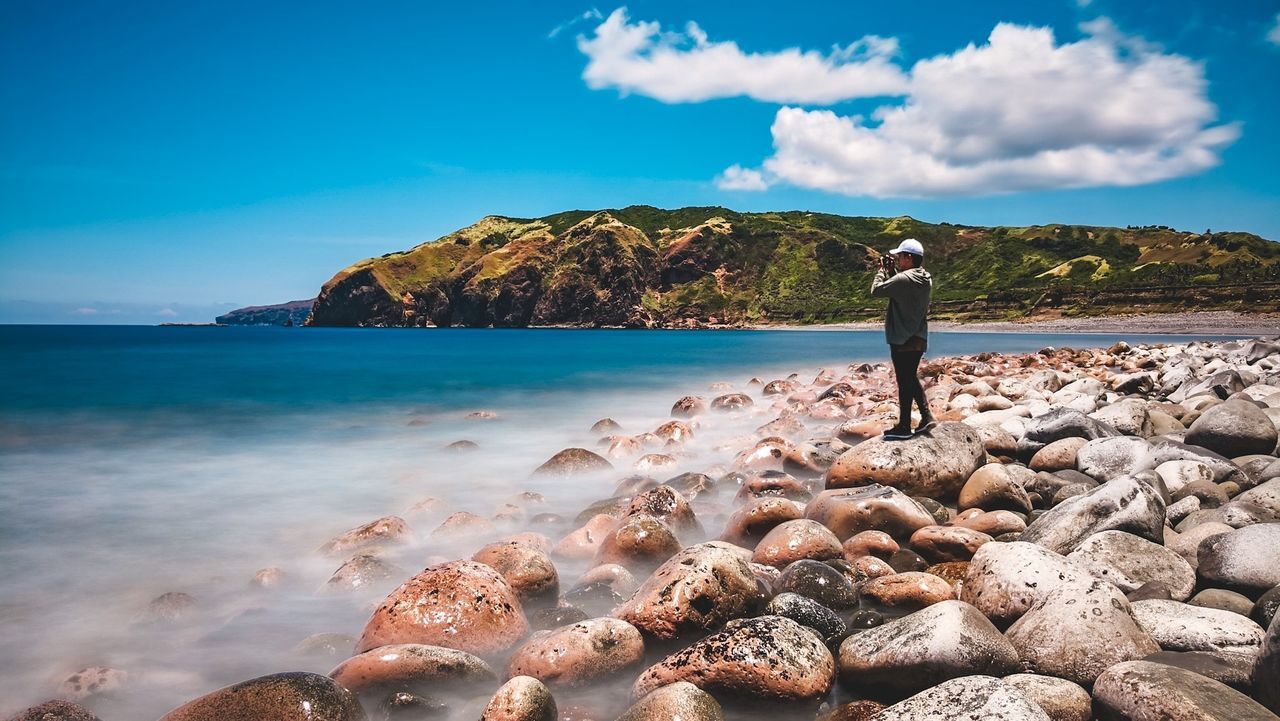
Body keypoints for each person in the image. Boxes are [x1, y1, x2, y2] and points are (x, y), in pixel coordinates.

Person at [871, 238, 934, 440]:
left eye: (900, 256)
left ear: (908, 257)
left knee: (904, 379)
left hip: (901, 338)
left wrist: (882, 271)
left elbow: (876, 291)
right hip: (918, 337)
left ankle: (909, 424)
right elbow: (903, 287)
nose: (897, 259)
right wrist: (893, 274)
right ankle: (919, 419)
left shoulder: (903, 279)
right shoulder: (925, 278)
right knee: (909, 378)